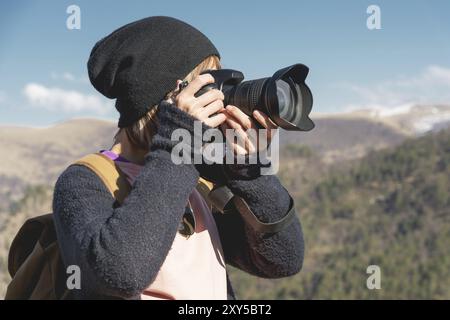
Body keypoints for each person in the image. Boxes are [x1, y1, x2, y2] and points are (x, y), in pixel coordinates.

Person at [52, 16, 304, 300]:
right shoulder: (84, 182)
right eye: (204, 88)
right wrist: (178, 143)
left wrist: (250, 171)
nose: (217, 102)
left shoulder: (197, 181)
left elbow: (283, 259)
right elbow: (121, 273)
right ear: (163, 99)